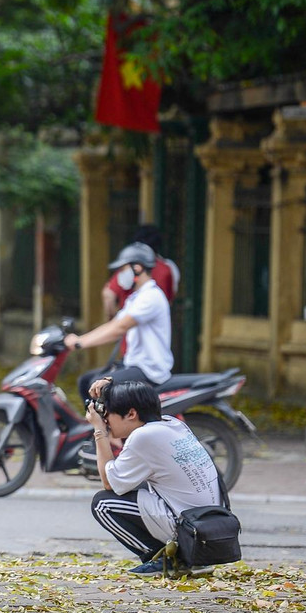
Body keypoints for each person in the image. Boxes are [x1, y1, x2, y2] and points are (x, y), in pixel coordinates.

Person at [85, 379, 224, 575]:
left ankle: (164, 560)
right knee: (133, 486)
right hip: (212, 529)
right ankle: (187, 557)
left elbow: (109, 484)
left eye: (107, 413)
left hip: (191, 530)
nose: (105, 419)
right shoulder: (173, 424)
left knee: (103, 503)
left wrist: (99, 431)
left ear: (131, 413)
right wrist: (111, 384)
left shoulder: (143, 437)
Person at [65, 242, 173, 405]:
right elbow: (112, 325)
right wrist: (80, 339)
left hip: (149, 370)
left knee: (98, 385)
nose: (120, 275)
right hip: (134, 364)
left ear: (137, 268)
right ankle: (97, 427)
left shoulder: (151, 297)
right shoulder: (136, 297)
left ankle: (110, 430)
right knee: (84, 381)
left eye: (122, 269)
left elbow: (119, 328)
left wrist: (80, 342)